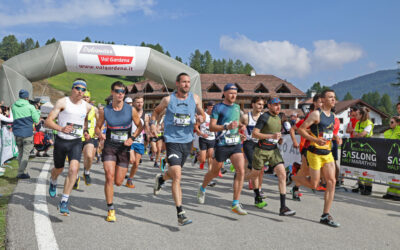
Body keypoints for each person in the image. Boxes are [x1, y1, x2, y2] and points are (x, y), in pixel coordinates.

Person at [152, 72, 205, 226]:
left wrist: (202, 117)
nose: (187, 84)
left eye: (188, 82)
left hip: (187, 141)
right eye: (183, 82)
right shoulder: (168, 99)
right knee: (177, 176)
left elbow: (202, 114)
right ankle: (180, 212)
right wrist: (152, 124)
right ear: (177, 83)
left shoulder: (195, 99)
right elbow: (155, 112)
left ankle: (161, 179)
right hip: (172, 140)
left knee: (173, 173)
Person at [196, 83, 247, 216]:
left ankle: (235, 203)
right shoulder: (218, 107)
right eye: (231, 93)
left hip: (235, 144)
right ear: (224, 93)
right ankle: (202, 188)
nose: (233, 95)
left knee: (241, 170)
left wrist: (239, 131)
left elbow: (235, 125)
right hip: (221, 144)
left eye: (235, 93)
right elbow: (212, 127)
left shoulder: (237, 107)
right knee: (214, 172)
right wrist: (226, 128)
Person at [95, 81, 143, 222]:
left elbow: (140, 126)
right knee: (109, 176)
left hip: (124, 148)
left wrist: (132, 138)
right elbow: (98, 127)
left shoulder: (131, 110)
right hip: (110, 145)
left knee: (118, 182)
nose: (120, 94)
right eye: (117, 91)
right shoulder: (105, 110)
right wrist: (100, 134)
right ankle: (110, 209)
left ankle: (120, 174)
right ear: (112, 92)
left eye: (123, 91)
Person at [292, 89, 340, 227]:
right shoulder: (316, 114)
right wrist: (314, 139)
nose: (333, 99)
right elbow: (300, 129)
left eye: (334, 97)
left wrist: (336, 137)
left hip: (327, 153)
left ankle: (325, 214)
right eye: (330, 97)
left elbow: (328, 133)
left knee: (332, 181)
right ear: (323, 100)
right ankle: (293, 177)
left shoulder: (334, 117)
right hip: (314, 153)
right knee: (314, 184)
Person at [45, 79, 92, 215]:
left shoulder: (87, 107)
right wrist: (61, 128)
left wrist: (85, 131)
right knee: (58, 169)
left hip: (76, 142)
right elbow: (48, 121)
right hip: (61, 140)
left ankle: (64, 201)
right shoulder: (62, 102)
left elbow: (83, 122)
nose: (80, 91)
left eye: (83, 89)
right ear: (72, 89)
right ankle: (53, 181)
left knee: (73, 169)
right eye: (77, 88)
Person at [244, 95, 296, 215]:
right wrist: (271, 137)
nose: (278, 107)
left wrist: (279, 139)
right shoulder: (264, 117)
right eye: (275, 104)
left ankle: (283, 207)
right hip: (261, 150)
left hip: (273, 150)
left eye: (279, 104)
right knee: (255, 174)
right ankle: (244, 181)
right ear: (269, 106)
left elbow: (275, 133)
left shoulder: (279, 117)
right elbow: (255, 134)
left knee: (282, 174)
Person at [289, 94, 322, 201]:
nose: (322, 104)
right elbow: (295, 129)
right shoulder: (311, 115)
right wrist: (295, 140)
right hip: (307, 146)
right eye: (320, 102)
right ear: (315, 103)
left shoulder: (326, 115)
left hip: (320, 148)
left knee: (307, 171)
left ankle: (297, 184)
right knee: (304, 171)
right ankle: (296, 185)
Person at [240, 96, 266, 198]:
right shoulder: (246, 117)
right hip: (249, 143)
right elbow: (236, 126)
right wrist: (240, 133)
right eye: (259, 104)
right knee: (255, 166)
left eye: (263, 105)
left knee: (261, 169)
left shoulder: (265, 117)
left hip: (260, 144)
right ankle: (255, 189)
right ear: (253, 104)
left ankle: (258, 188)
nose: (261, 106)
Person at [12, 89, 41, 179]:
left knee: (20, 152)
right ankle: (20, 172)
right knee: (26, 153)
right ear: (27, 97)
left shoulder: (13, 106)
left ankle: (23, 172)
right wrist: (38, 111)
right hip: (27, 133)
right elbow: (36, 121)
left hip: (17, 132)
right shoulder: (30, 107)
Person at [126, 95, 149, 188]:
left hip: (140, 141)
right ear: (134, 103)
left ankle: (129, 179)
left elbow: (146, 127)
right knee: (131, 160)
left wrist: (148, 135)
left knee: (136, 163)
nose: (140, 104)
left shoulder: (146, 115)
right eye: (138, 102)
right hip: (130, 140)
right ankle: (120, 169)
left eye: (141, 102)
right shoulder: (129, 113)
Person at [351, 107, 374, 195]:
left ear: (361, 115)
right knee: (359, 166)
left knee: (367, 167)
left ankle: (368, 188)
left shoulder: (369, 123)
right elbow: (354, 134)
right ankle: (360, 186)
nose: (355, 116)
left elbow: (362, 134)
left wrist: (358, 134)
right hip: (359, 147)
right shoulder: (358, 123)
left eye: (357, 114)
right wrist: (358, 135)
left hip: (367, 148)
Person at [78, 91, 99, 187]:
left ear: (89, 98)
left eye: (87, 97)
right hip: (77, 136)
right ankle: (75, 177)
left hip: (89, 137)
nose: (85, 98)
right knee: (75, 160)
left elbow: (100, 122)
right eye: (84, 97)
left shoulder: (94, 109)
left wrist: (98, 132)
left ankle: (86, 172)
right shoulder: (75, 108)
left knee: (90, 156)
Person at [194, 101, 217, 186]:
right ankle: (197, 157)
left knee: (211, 156)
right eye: (212, 107)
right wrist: (201, 133)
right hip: (203, 139)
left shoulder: (215, 116)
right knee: (203, 160)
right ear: (208, 107)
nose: (213, 108)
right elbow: (196, 126)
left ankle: (210, 178)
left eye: (214, 107)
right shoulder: (204, 116)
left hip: (212, 138)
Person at [382, 116, 400, 200]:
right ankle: (390, 192)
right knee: (392, 174)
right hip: (391, 156)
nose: (390, 124)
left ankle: (398, 194)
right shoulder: (387, 132)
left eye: (392, 122)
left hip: (398, 156)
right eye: (390, 122)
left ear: (398, 123)